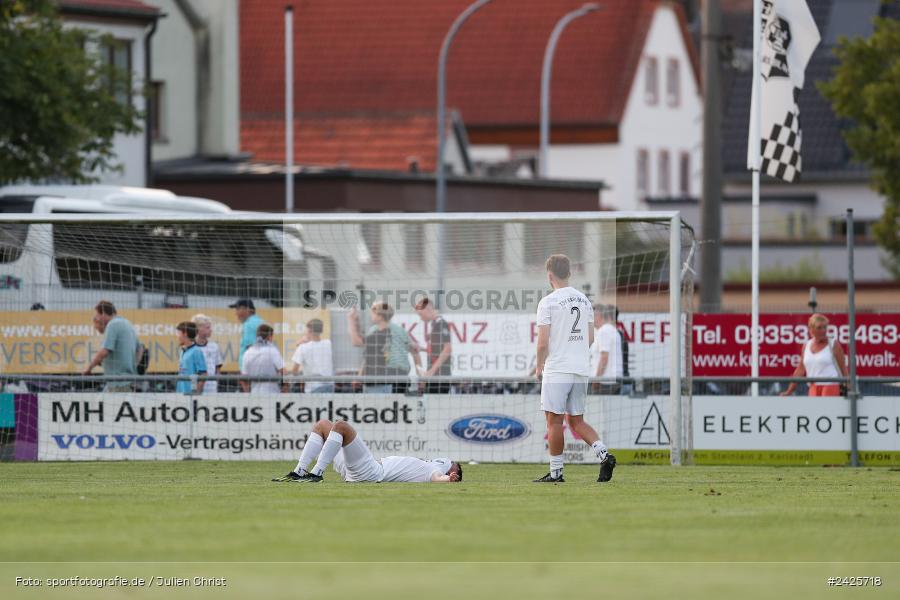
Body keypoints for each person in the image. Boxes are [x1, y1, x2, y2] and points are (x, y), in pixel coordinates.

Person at [534, 255, 615, 484]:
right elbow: (589, 338)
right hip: (580, 369)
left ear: (549, 275)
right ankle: (604, 455)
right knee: (577, 421)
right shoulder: (585, 301)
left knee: (554, 421)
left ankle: (556, 473)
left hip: (558, 369)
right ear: (569, 273)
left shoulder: (548, 302)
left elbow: (542, 343)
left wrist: (539, 365)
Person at [272, 419, 462, 484]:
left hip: (371, 472)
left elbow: (438, 478)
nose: (452, 462)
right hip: (358, 471)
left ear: (451, 470)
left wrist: (449, 479)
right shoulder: (428, 465)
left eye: (455, 467)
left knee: (341, 427)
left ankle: (316, 474)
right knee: (323, 425)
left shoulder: (433, 470)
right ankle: (299, 472)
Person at [348, 302, 420, 393]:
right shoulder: (401, 331)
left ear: (380, 316)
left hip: (385, 376)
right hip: (402, 376)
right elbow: (415, 352)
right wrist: (420, 375)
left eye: (372, 313)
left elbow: (366, 354)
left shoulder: (375, 330)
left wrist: (359, 377)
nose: (370, 315)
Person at [781, 313, 848, 397]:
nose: (823, 330)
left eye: (825, 327)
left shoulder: (833, 344)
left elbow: (843, 368)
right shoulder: (806, 345)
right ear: (811, 329)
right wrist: (789, 391)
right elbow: (800, 370)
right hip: (813, 386)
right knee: (813, 409)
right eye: (819, 328)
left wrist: (850, 389)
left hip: (831, 385)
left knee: (826, 409)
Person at [83, 300, 138, 392]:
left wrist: (88, 369)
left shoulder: (112, 325)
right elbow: (139, 349)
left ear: (103, 314)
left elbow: (104, 351)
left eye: (98, 315)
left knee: (105, 405)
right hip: (125, 379)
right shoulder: (127, 323)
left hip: (118, 382)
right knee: (100, 404)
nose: (97, 318)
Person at [414, 296, 452, 393]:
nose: (421, 318)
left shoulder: (441, 324)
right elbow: (436, 350)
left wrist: (432, 371)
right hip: (434, 376)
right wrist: (421, 349)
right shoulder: (434, 324)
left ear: (428, 309)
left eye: (421, 314)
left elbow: (447, 349)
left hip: (440, 376)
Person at [290, 318, 334, 393]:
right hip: (330, 386)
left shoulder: (303, 347)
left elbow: (294, 371)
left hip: (313, 388)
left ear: (309, 330)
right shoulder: (329, 344)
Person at [240, 323, 285, 394]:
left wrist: (248, 394)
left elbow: (243, 379)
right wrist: (285, 391)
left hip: (255, 395)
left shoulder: (248, 352)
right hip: (272, 394)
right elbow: (284, 372)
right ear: (269, 336)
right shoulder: (272, 351)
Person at [590, 303, 623, 394]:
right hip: (611, 380)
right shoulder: (611, 330)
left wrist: (596, 380)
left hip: (606, 382)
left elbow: (604, 357)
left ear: (599, 315)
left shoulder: (604, 331)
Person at [192, 313, 223, 393]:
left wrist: (215, 383)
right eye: (208, 328)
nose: (211, 330)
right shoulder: (190, 348)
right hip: (195, 389)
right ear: (198, 329)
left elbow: (217, 368)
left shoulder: (214, 346)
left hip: (211, 389)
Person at [230, 298, 263, 371]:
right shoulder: (260, 321)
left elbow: (250, 348)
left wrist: (245, 371)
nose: (236, 313)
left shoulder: (248, 324)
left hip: (251, 369)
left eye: (238, 309)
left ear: (248, 310)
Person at [175, 321, 206, 395]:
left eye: (179, 333)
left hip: (191, 394)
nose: (177, 336)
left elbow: (203, 374)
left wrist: (196, 393)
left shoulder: (196, 351)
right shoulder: (182, 350)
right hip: (181, 393)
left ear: (185, 333)